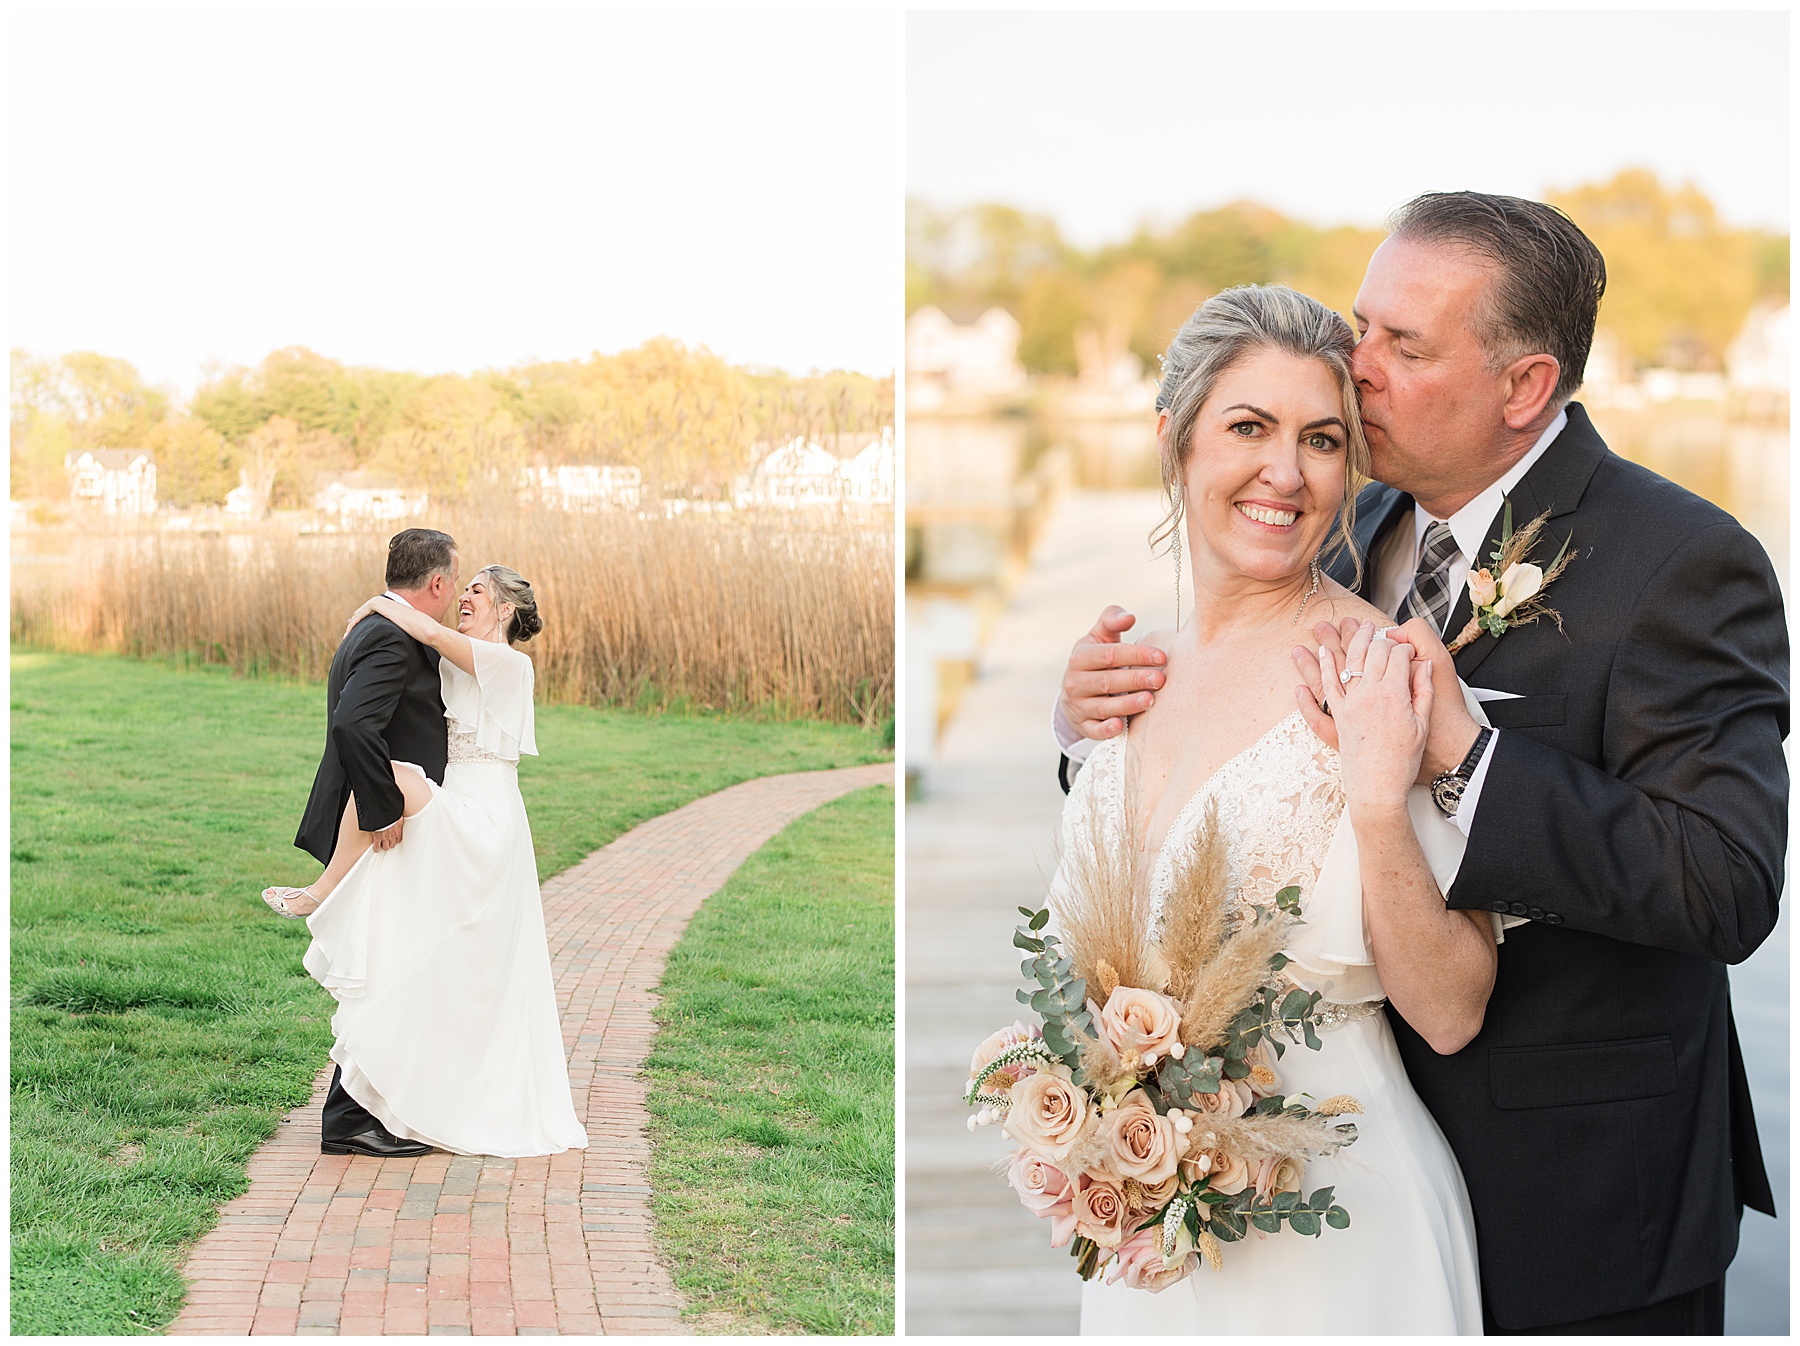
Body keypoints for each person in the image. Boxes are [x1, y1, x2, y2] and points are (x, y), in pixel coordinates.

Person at [1056, 192, 1785, 1334]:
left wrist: (1466, 752)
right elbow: (1233, 765)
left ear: (1524, 386)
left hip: (1577, 1195)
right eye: (1362, 325)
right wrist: (1094, 731)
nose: (1357, 366)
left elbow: (1724, 882)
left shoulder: (1681, 561)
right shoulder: (1345, 512)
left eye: (1403, 345)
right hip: (1268, 1161)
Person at [1065, 282, 1491, 1334]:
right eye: (1248, 426)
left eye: (1322, 438)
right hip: (1146, 1238)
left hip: (1339, 1230)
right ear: (1174, 439)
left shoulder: (1384, 673)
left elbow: (1453, 1009)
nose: (1285, 473)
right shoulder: (1127, 673)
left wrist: (1378, 804)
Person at [267, 546, 588, 1159]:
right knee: (426, 948)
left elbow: (426, 628)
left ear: (507, 608)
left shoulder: (506, 665)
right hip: (451, 801)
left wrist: (376, 603)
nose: (464, 597)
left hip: (486, 815)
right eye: (460, 586)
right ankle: (387, 1097)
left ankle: (320, 893)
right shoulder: (450, 660)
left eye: (476, 591)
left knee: (389, 781)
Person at [265, 527, 462, 1158]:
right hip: (381, 830)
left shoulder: (384, 625)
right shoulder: (391, 635)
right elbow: (353, 724)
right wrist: (381, 810)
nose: (455, 591)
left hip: (389, 822)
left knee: (391, 968)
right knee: (385, 971)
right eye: (453, 581)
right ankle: (348, 1118)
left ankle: (365, 1108)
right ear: (435, 582)